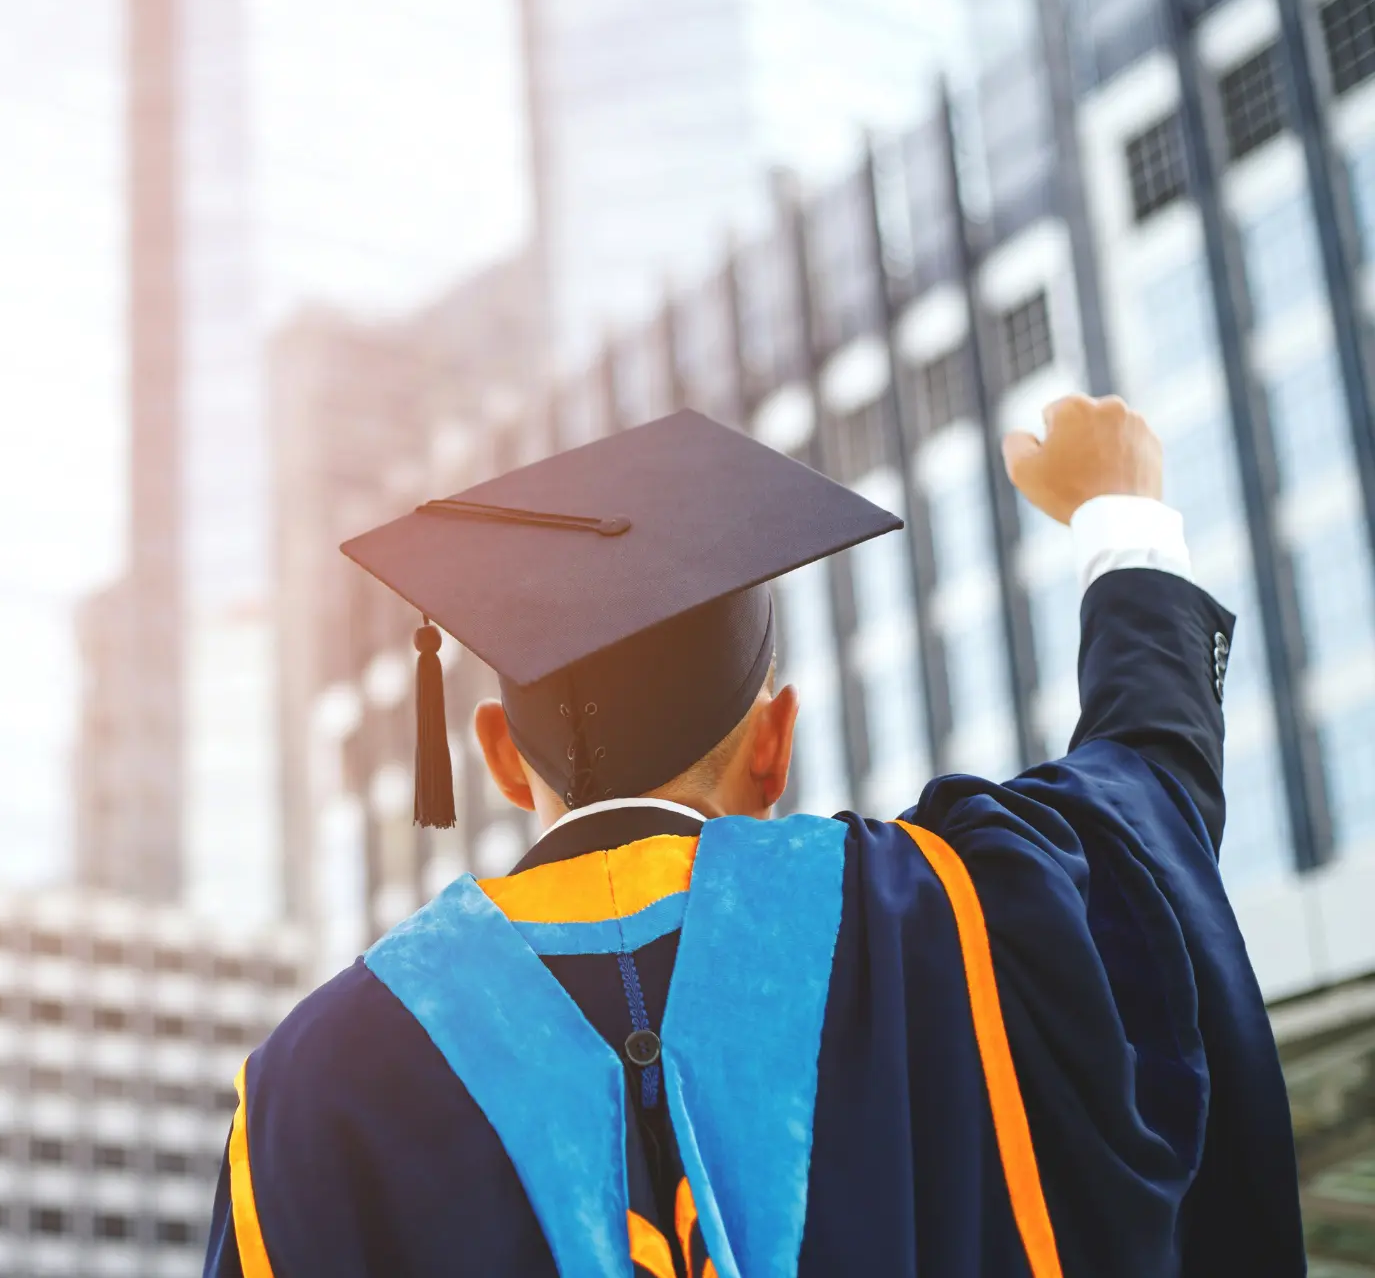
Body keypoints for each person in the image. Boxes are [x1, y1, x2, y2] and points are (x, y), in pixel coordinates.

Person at [204, 396, 1304, 1278]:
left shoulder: (308, 1088)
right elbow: (1144, 801)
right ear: (773, 742)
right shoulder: (947, 912)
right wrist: (1123, 516)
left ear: (497, 753)